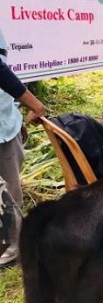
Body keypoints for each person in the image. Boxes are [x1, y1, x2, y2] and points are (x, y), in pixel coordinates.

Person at [0, 30, 46, 268]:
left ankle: (14, 243)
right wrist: (35, 104)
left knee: (9, 188)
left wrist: (27, 106)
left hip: (2, 124)